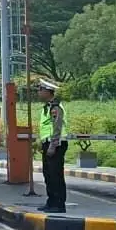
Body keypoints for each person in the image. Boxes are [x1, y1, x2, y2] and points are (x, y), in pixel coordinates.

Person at [38, 81, 68, 213]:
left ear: (47, 92)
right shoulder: (47, 107)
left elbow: (57, 127)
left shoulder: (55, 107)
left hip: (56, 144)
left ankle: (59, 204)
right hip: (48, 143)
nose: (39, 93)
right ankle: (51, 202)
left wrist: (52, 145)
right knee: (48, 174)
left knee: (55, 175)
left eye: (40, 90)